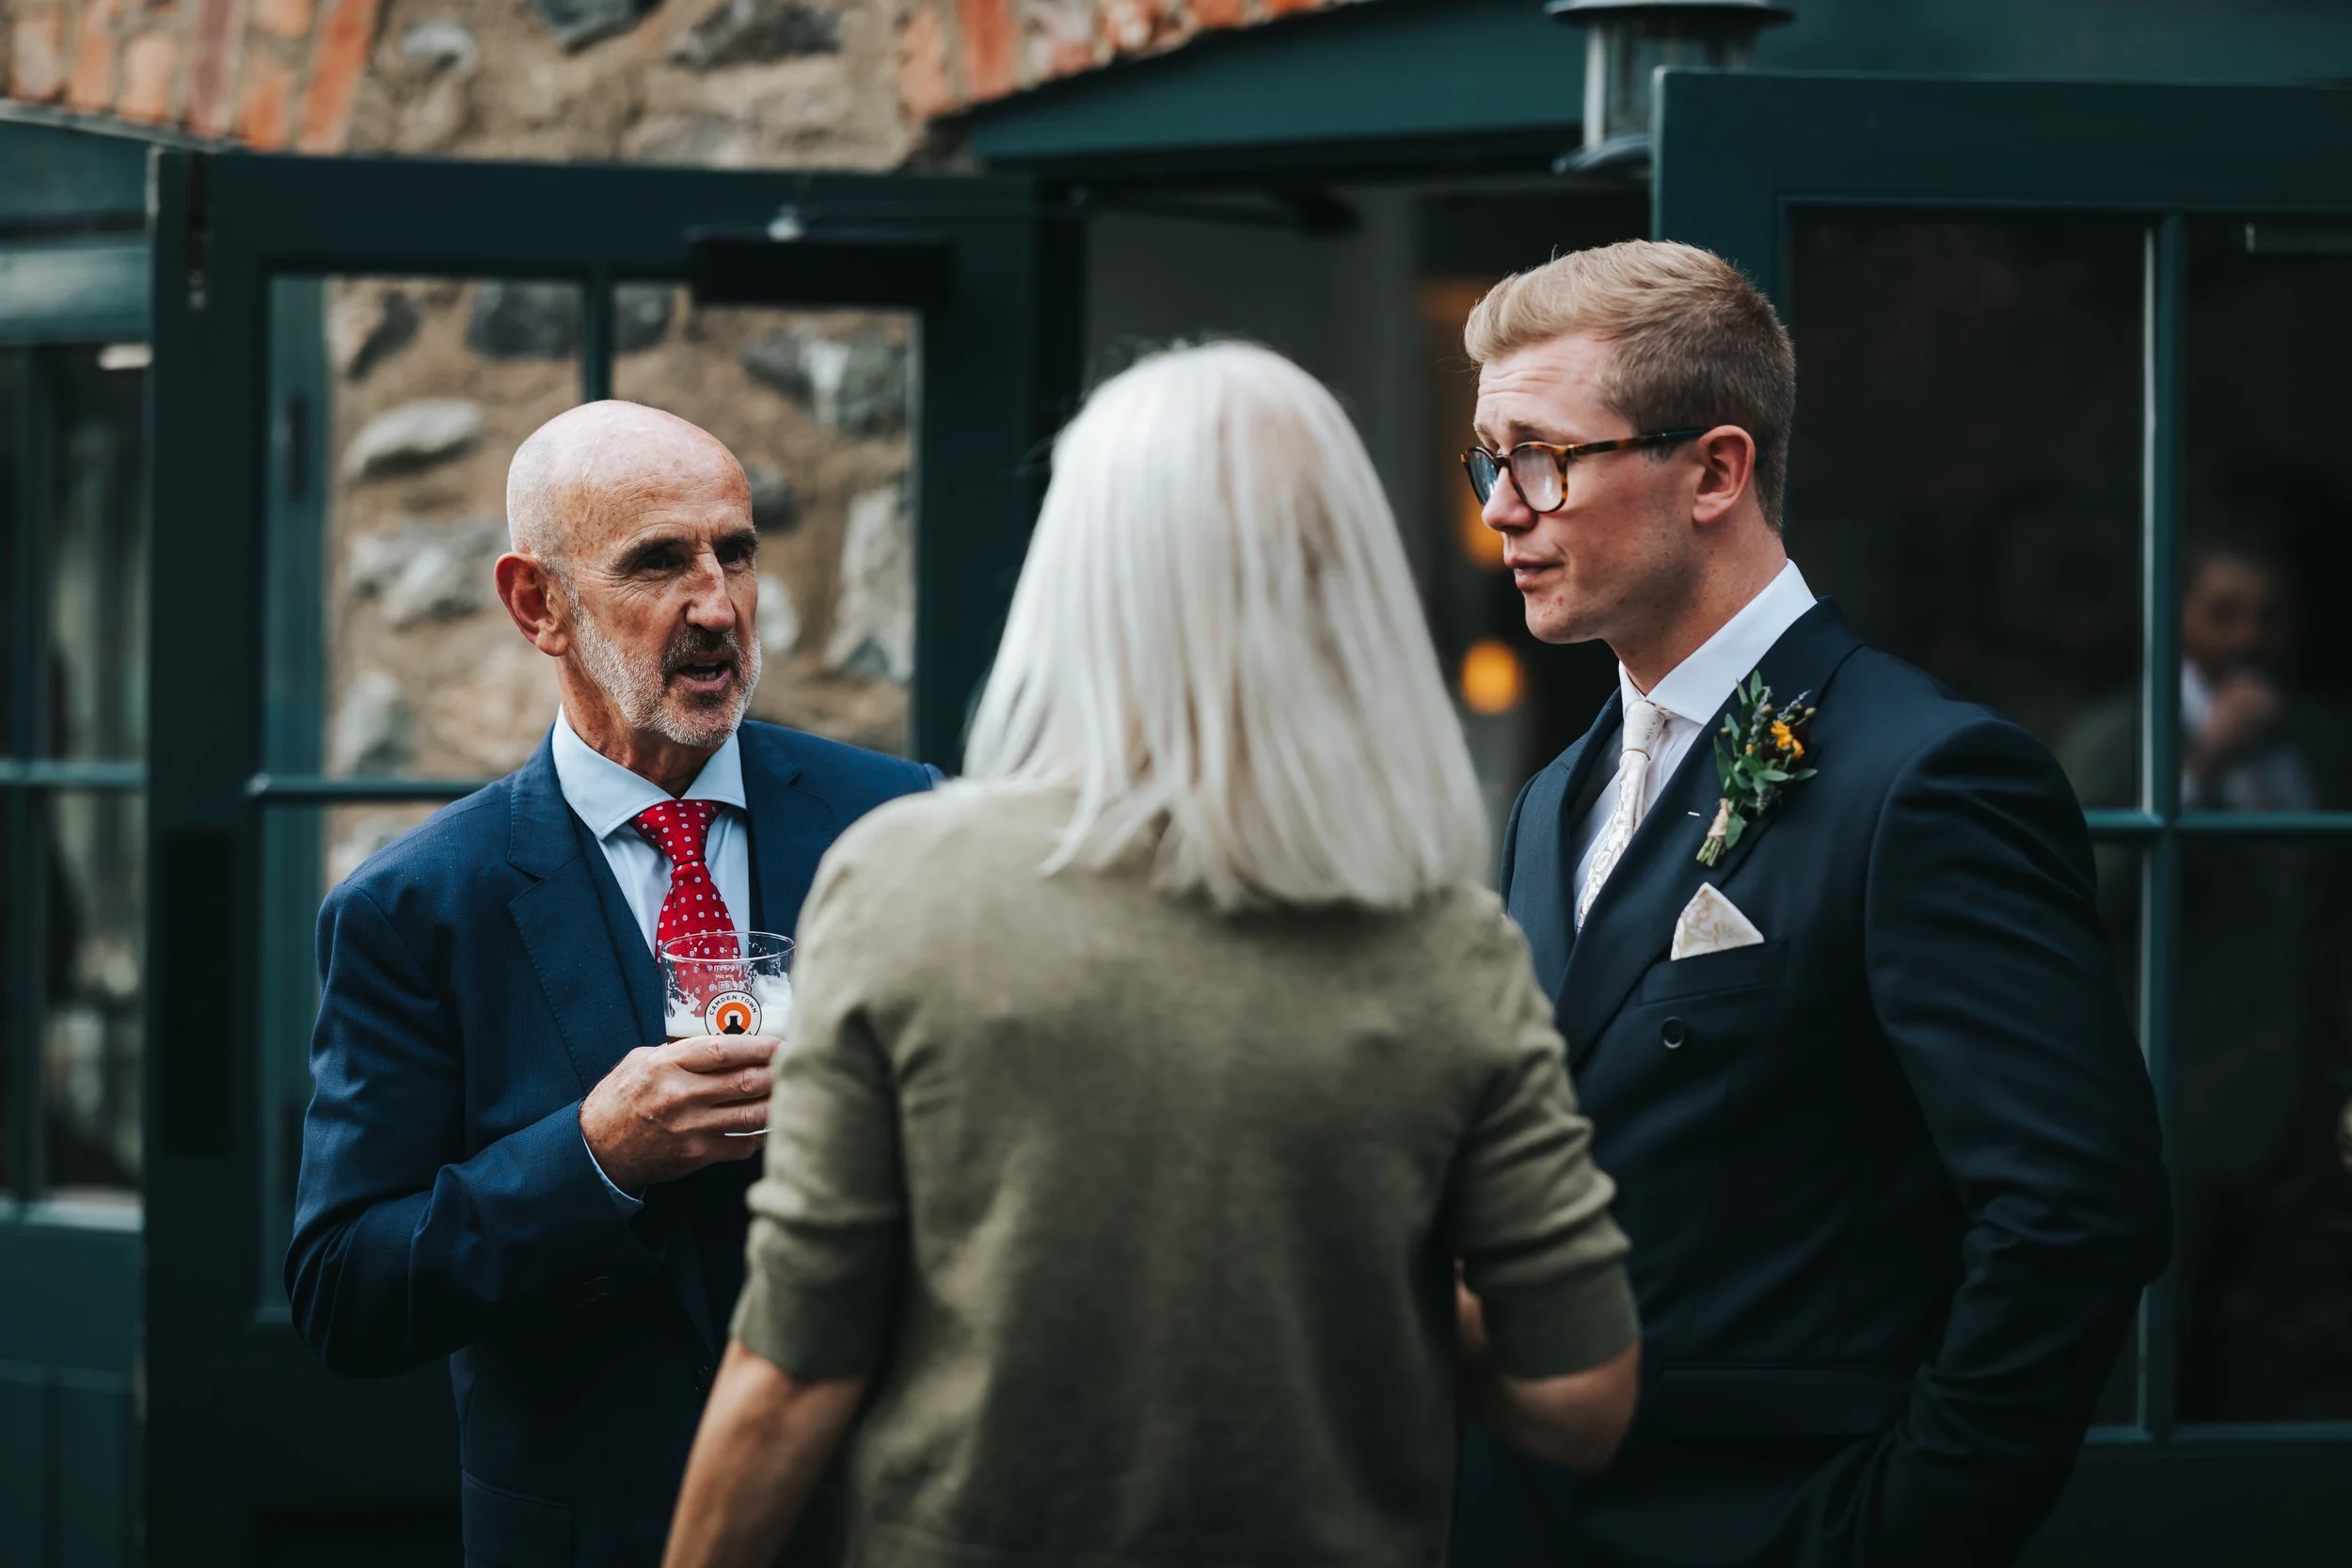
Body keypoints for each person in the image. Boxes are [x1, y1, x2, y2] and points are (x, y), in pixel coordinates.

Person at [660, 342, 1643, 1568]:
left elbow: (794, 1367)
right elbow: (1582, 1393)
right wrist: (1346, 1256)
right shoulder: (1448, 949)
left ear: (1076, 575)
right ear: (1345, 588)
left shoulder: (907, 881)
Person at [1448, 241, 2171, 1568]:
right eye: (1489, 459)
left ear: (1716, 469)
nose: (1504, 506)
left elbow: (2074, 1215)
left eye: (1543, 454)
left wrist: (1878, 1537)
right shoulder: (1554, 795)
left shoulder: (1933, 775)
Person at [285, 401, 938, 1567]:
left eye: (733, 550)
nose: (717, 605)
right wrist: (591, 1154)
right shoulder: (419, 908)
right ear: (537, 603)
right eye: (657, 562)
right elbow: (346, 1288)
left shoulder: (900, 821)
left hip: (877, 1520)